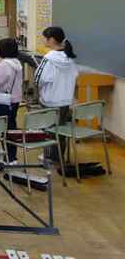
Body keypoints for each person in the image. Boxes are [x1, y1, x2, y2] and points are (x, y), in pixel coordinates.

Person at [34, 27, 79, 162]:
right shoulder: (69, 58)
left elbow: (39, 79)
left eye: (45, 38)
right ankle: (58, 156)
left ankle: (50, 157)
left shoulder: (49, 58)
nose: (43, 40)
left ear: (52, 40)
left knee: (49, 130)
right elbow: (75, 75)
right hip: (65, 101)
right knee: (61, 130)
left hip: (50, 101)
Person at [0, 39, 22, 163]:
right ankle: (12, 157)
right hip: (15, 100)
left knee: (5, 129)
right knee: (11, 127)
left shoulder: (3, 65)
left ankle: (9, 158)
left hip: (4, 100)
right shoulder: (17, 63)